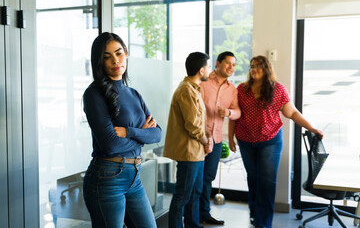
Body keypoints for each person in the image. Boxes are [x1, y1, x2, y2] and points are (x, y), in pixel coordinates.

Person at [228, 55, 323, 228]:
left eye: (259, 66)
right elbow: (234, 115)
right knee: (253, 178)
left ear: (267, 69)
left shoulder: (277, 89)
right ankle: (254, 211)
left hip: (270, 141)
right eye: (252, 66)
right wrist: (230, 138)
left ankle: (263, 223)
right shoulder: (241, 89)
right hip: (245, 140)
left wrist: (311, 128)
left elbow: (292, 113)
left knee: (267, 181)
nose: (254, 69)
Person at [82, 32, 161, 228]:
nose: (115, 61)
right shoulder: (94, 94)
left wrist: (129, 132)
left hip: (134, 177)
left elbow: (157, 133)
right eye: (107, 57)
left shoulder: (133, 94)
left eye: (118, 53)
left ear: (126, 53)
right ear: (99, 62)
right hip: (107, 178)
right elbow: (110, 145)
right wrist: (143, 134)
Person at [163, 52, 214, 228]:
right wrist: (205, 141)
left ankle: (193, 225)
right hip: (189, 153)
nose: (210, 69)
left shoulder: (195, 88)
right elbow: (193, 125)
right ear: (201, 70)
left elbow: (200, 121)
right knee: (182, 195)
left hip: (197, 152)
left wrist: (208, 139)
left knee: (195, 192)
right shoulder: (186, 90)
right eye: (208, 66)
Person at [199, 51, 241, 225]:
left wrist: (229, 112)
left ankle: (203, 214)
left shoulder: (232, 89)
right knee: (195, 179)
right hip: (199, 138)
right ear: (217, 63)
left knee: (208, 178)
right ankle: (191, 215)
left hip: (216, 140)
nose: (231, 67)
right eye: (227, 63)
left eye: (233, 64)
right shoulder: (203, 80)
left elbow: (238, 112)